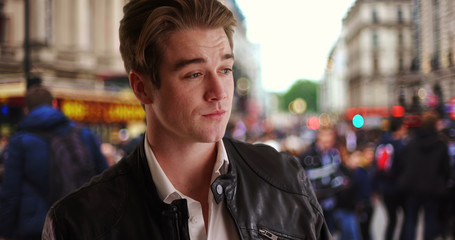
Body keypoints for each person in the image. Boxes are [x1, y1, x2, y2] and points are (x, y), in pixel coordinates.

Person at [42, 0, 331, 239]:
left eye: (226, 70)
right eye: (194, 74)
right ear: (142, 87)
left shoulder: (284, 179)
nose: (219, 93)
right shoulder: (79, 223)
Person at [0, 85, 108, 240]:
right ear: (55, 104)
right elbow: (105, 178)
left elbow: (11, 192)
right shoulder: (84, 134)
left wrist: (4, 231)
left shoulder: (20, 142)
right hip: (79, 223)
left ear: (26, 110)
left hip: (36, 228)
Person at [397, 110, 450, 240]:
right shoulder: (441, 145)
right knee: (430, 221)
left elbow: (402, 164)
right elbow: (446, 169)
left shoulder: (411, 143)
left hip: (412, 187)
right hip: (432, 188)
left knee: (410, 221)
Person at [298, 127, 348, 235]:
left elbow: (337, 172)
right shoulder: (308, 155)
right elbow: (303, 177)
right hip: (314, 202)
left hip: (330, 201)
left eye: (330, 139)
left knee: (329, 231)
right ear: (319, 138)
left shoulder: (333, 154)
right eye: (325, 138)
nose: (327, 142)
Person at [373, 117, 408, 240]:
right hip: (398, 188)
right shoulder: (401, 146)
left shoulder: (381, 143)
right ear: (400, 128)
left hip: (385, 188)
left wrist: (376, 188)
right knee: (407, 217)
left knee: (391, 219)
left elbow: (376, 167)